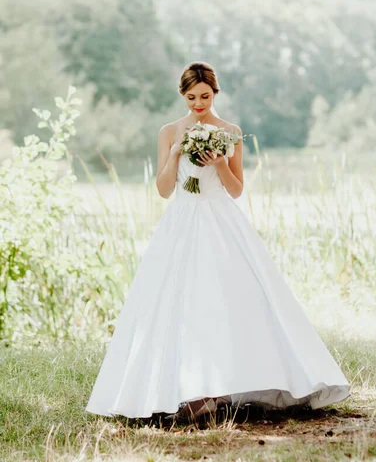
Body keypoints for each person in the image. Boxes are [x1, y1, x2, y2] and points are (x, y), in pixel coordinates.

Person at [85, 61, 350, 422]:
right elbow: (164, 191)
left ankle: (220, 389)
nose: (198, 103)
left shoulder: (230, 131)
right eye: (191, 97)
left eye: (205, 96)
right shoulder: (168, 132)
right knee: (179, 302)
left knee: (227, 299)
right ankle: (184, 390)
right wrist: (177, 151)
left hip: (221, 221)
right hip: (181, 221)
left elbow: (237, 190)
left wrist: (221, 163)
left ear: (215, 92)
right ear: (182, 95)